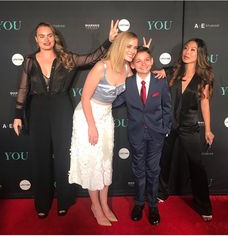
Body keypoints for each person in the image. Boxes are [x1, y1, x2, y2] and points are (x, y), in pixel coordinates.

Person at [13, 20, 119, 218]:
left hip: (62, 108)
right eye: (42, 36)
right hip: (37, 110)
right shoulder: (29, 60)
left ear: (55, 38)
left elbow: (93, 57)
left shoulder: (67, 59)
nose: (46, 39)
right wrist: (18, 114)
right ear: (36, 39)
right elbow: (23, 89)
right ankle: (42, 204)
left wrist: (109, 41)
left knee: (63, 156)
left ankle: (64, 200)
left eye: (49, 35)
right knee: (40, 158)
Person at [68, 31, 139, 226]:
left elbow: (142, 76)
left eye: (135, 47)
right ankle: (96, 206)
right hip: (87, 115)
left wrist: (155, 64)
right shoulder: (102, 66)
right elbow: (84, 98)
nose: (133, 51)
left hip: (106, 116)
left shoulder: (128, 69)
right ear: (119, 46)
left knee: (106, 160)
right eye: (129, 46)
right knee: (92, 162)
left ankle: (104, 204)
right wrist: (91, 126)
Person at [155, 38, 215, 221]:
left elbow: (204, 103)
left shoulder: (203, 78)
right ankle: (161, 193)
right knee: (164, 161)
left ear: (200, 54)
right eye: (186, 48)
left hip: (189, 127)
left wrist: (208, 129)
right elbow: (149, 74)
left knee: (196, 166)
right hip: (169, 125)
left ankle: (204, 205)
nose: (187, 52)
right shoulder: (172, 71)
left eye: (193, 50)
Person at [113, 46, 172, 225]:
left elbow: (167, 107)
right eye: (138, 61)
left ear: (152, 61)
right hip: (136, 133)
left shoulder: (160, 81)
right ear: (132, 64)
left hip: (157, 134)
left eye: (146, 60)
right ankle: (139, 203)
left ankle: (153, 205)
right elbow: (115, 101)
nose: (143, 64)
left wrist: (165, 128)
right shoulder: (128, 83)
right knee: (139, 170)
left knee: (153, 171)